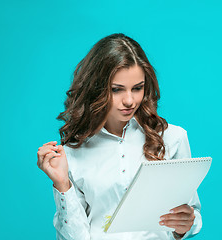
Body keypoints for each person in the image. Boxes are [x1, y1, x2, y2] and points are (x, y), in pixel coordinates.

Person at [37, 33, 202, 240]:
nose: (130, 100)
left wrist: (184, 225)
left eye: (137, 88)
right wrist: (63, 185)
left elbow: (190, 216)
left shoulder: (172, 138)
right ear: (96, 88)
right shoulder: (72, 152)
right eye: (116, 90)